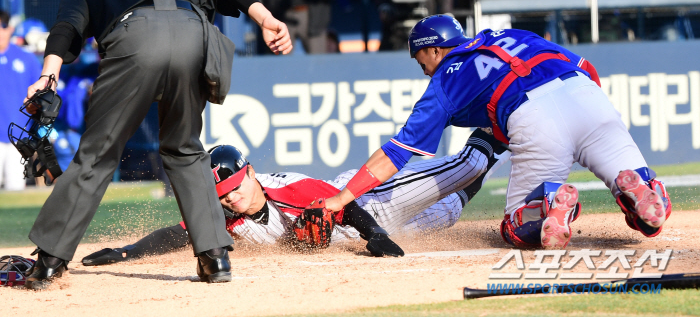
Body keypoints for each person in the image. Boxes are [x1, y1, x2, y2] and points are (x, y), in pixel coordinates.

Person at [21, 0, 293, 290]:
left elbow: (66, 27)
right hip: (195, 38)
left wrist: (48, 74)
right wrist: (266, 19)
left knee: (98, 154)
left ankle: (50, 262)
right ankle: (214, 257)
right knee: (184, 149)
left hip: (135, 37)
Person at [319, 14, 672, 251]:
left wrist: (340, 198)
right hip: (587, 96)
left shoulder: (446, 77)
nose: (422, 68)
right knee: (650, 227)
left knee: (515, 229)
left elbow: (396, 152)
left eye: (419, 58)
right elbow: (586, 67)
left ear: (432, 49)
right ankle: (641, 189)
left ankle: (548, 202)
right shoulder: (510, 35)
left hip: (532, 115)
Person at [80, 130, 508, 265]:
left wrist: (372, 233)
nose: (229, 200)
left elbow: (345, 205)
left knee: (458, 171)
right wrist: (126, 252)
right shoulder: (225, 213)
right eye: (222, 196)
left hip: (359, 201)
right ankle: (487, 156)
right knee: (448, 212)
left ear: (249, 174)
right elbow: (177, 235)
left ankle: (486, 140)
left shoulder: (287, 187)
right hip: (346, 228)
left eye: (233, 188)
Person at [0, 10, 41, 190]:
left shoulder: (26, 59)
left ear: (9, 28)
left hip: (18, 136)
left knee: (15, 190)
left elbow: (42, 96)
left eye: (2, 26)